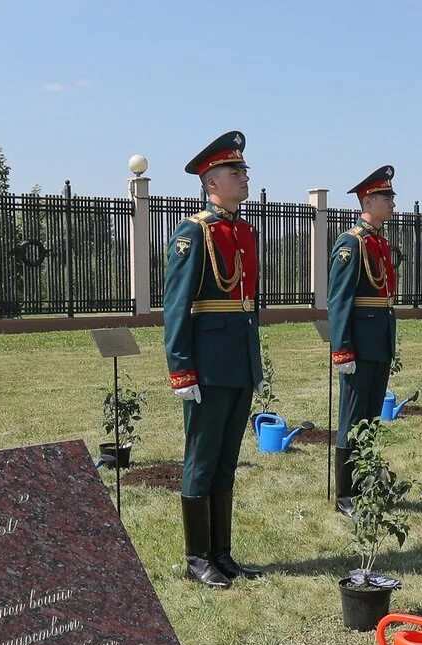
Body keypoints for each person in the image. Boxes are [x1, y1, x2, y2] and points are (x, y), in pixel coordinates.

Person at [163, 130, 263, 589]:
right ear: (211, 182)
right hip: (206, 364)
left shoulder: (242, 231)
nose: (244, 178)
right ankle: (197, 555)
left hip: (237, 362)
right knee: (201, 459)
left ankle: (222, 552)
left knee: (226, 459)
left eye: (243, 170)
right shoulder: (193, 234)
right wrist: (181, 369)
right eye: (234, 172)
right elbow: (177, 306)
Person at [328, 164, 399, 512]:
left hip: (379, 341)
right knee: (352, 418)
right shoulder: (351, 243)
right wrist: (342, 349)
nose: (392, 202)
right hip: (359, 343)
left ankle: (366, 482)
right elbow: (339, 300)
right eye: (386, 196)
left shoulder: (379, 242)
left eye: (391, 196)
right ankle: (346, 494)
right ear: (367, 199)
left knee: (370, 417)